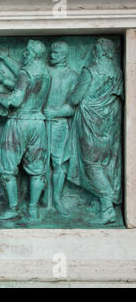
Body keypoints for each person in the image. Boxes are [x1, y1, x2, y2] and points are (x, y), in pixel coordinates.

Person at [55, 38, 123, 225]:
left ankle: (107, 207)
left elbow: (75, 99)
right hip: (110, 125)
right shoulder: (117, 72)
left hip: (91, 124)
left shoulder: (90, 71)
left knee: (92, 164)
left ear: (101, 52)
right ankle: (99, 199)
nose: (93, 53)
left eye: (95, 50)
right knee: (105, 162)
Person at [0, 40, 51, 221]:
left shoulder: (26, 71)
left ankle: (13, 208)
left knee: (6, 166)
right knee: (37, 169)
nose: (24, 54)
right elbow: (25, 83)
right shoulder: (45, 72)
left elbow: (15, 99)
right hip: (38, 122)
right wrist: (5, 63)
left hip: (20, 122)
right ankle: (33, 209)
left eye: (28, 51)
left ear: (35, 54)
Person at [43, 41, 78, 215]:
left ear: (64, 55)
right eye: (51, 52)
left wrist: (55, 113)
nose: (52, 56)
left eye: (56, 53)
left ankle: (56, 198)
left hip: (59, 124)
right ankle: (39, 199)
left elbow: (74, 105)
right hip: (40, 123)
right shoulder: (45, 71)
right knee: (38, 162)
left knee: (58, 163)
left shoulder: (72, 76)